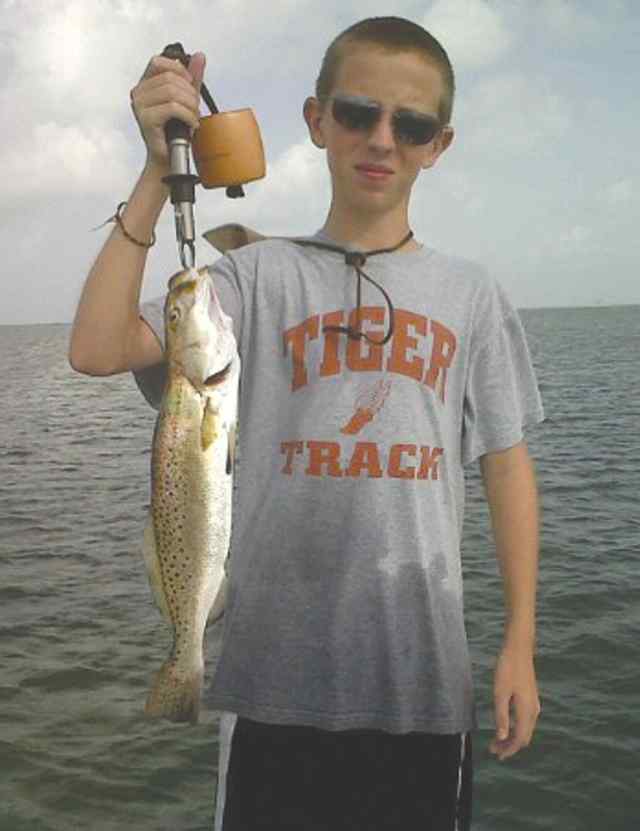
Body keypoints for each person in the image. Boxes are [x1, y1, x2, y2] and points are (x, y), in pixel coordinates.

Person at [69, 16, 544, 831]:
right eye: (358, 112)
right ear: (316, 119)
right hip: (271, 688)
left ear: (440, 143)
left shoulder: (473, 295)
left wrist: (520, 642)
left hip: (422, 689)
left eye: (412, 124)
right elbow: (96, 346)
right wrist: (154, 174)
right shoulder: (250, 279)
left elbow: (506, 464)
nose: (382, 139)